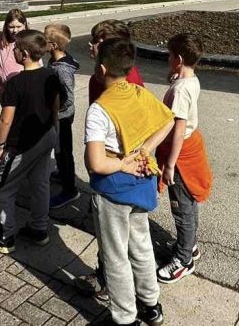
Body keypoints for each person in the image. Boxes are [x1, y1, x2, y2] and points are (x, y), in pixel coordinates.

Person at [85, 38, 173, 326]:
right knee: (141, 245)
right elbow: (168, 120)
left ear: (101, 68)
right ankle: (151, 305)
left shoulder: (100, 109)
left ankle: (125, 317)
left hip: (113, 190)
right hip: (142, 185)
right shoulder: (138, 92)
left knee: (115, 256)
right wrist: (146, 149)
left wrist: (122, 162)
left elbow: (96, 163)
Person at [77, 19, 145, 300]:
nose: (90, 46)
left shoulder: (126, 82)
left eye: (95, 42)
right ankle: (136, 292)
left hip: (115, 170)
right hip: (111, 166)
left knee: (115, 237)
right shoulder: (101, 77)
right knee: (120, 236)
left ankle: (111, 287)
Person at [0, 30, 59, 254]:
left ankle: (5, 237)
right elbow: (55, 107)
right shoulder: (51, 75)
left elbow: (6, 119)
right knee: (40, 183)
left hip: (21, 143)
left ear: (24, 54)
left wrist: (0, 145)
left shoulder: (15, 83)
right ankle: (39, 228)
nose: (13, 51)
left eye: (15, 49)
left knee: (4, 188)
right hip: (46, 136)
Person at [155, 33, 213, 284]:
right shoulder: (190, 80)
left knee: (182, 207)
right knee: (188, 204)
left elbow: (178, 128)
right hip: (190, 147)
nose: (168, 59)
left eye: (169, 55)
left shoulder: (180, 89)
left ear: (177, 59)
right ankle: (188, 245)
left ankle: (183, 259)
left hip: (181, 157)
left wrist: (169, 164)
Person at [45, 23, 81, 208]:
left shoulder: (61, 69)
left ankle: (70, 189)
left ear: (52, 45)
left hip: (62, 117)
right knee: (60, 149)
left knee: (63, 151)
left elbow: (68, 95)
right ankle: (61, 172)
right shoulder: (58, 60)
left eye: (45, 40)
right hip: (61, 114)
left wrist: (57, 111)